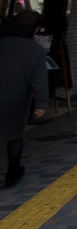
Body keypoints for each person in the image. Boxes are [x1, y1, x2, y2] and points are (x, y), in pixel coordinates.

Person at [0, 11, 48, 187]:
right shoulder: (36, 50)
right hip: (17, 99)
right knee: (14, 136)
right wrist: (41, 103)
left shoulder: (2, 43)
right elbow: (39, 79)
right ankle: (12, 173)